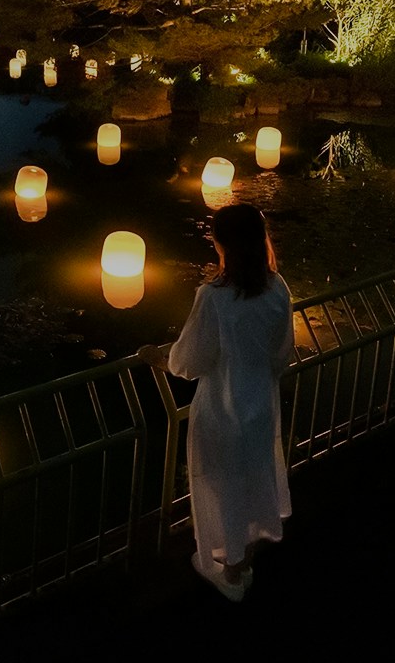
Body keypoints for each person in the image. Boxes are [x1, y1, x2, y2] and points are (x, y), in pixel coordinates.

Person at [138, 203, 295, 602]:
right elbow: (282, 355)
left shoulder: (214, 298)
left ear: (219, 243)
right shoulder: (278, 287)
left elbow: (192, 360)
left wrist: (162, 359)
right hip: (260, 401)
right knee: (254, 477)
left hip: (222, 407)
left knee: (222, 485)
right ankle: (243, 560)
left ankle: (231, 573)